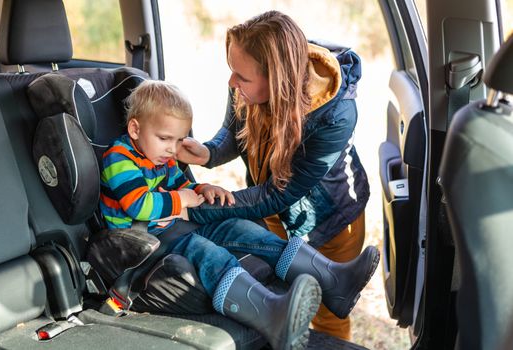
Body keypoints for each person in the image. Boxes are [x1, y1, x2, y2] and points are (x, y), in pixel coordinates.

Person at [99, 80, 378, 349]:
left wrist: (201, 189)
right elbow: (138, 205)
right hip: (142, 240)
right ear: (135, 129)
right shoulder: (119, 159)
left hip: (174, 226)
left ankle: (334, 280)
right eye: (165, 139)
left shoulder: (159, 156)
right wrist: (181, 199)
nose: (173, 149)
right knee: (208, 252)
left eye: (180, 140)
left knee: (240, 228)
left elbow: (179, 185)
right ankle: (271, 315)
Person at [177, 10, 372, 341]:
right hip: (274, 213)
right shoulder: (247, 84)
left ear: (277, 80)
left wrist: (194, 206)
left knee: (328, 316)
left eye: (241, 77)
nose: (231, 83)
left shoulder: (336, 114)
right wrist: (209, 153)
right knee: (284, 303)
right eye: (231, 71)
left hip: (332, 221)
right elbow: (233, 132)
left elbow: (279, 192)